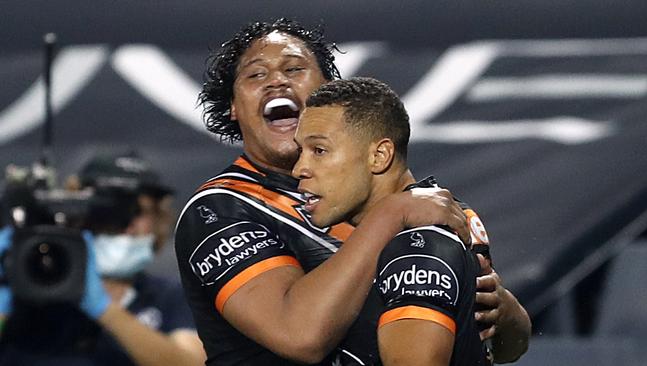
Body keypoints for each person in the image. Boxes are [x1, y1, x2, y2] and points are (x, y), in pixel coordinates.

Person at [174, 18, 529, 365]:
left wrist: (501, 309)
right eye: (256, 74)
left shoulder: (418, 204)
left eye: (295, 69)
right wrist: (392, 215)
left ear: (325, 91)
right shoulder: (219, 210)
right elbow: (300, 337)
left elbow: (507, 348)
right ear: (234, 107)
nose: (276, 82)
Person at [294, 76, 498, 365]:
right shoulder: (455, 214)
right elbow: (507, 345)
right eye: (300, 151)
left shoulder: (416, 246)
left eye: (319, 151)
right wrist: (514, 317)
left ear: (379, 156)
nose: (299, 168)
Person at [0, 150, 206, 366]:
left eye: (138, 211)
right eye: (109, 211)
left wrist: (104, 309)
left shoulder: (172, 296)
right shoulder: (27, 288)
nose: (126, 224)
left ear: (159, 221)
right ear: (76, 212)